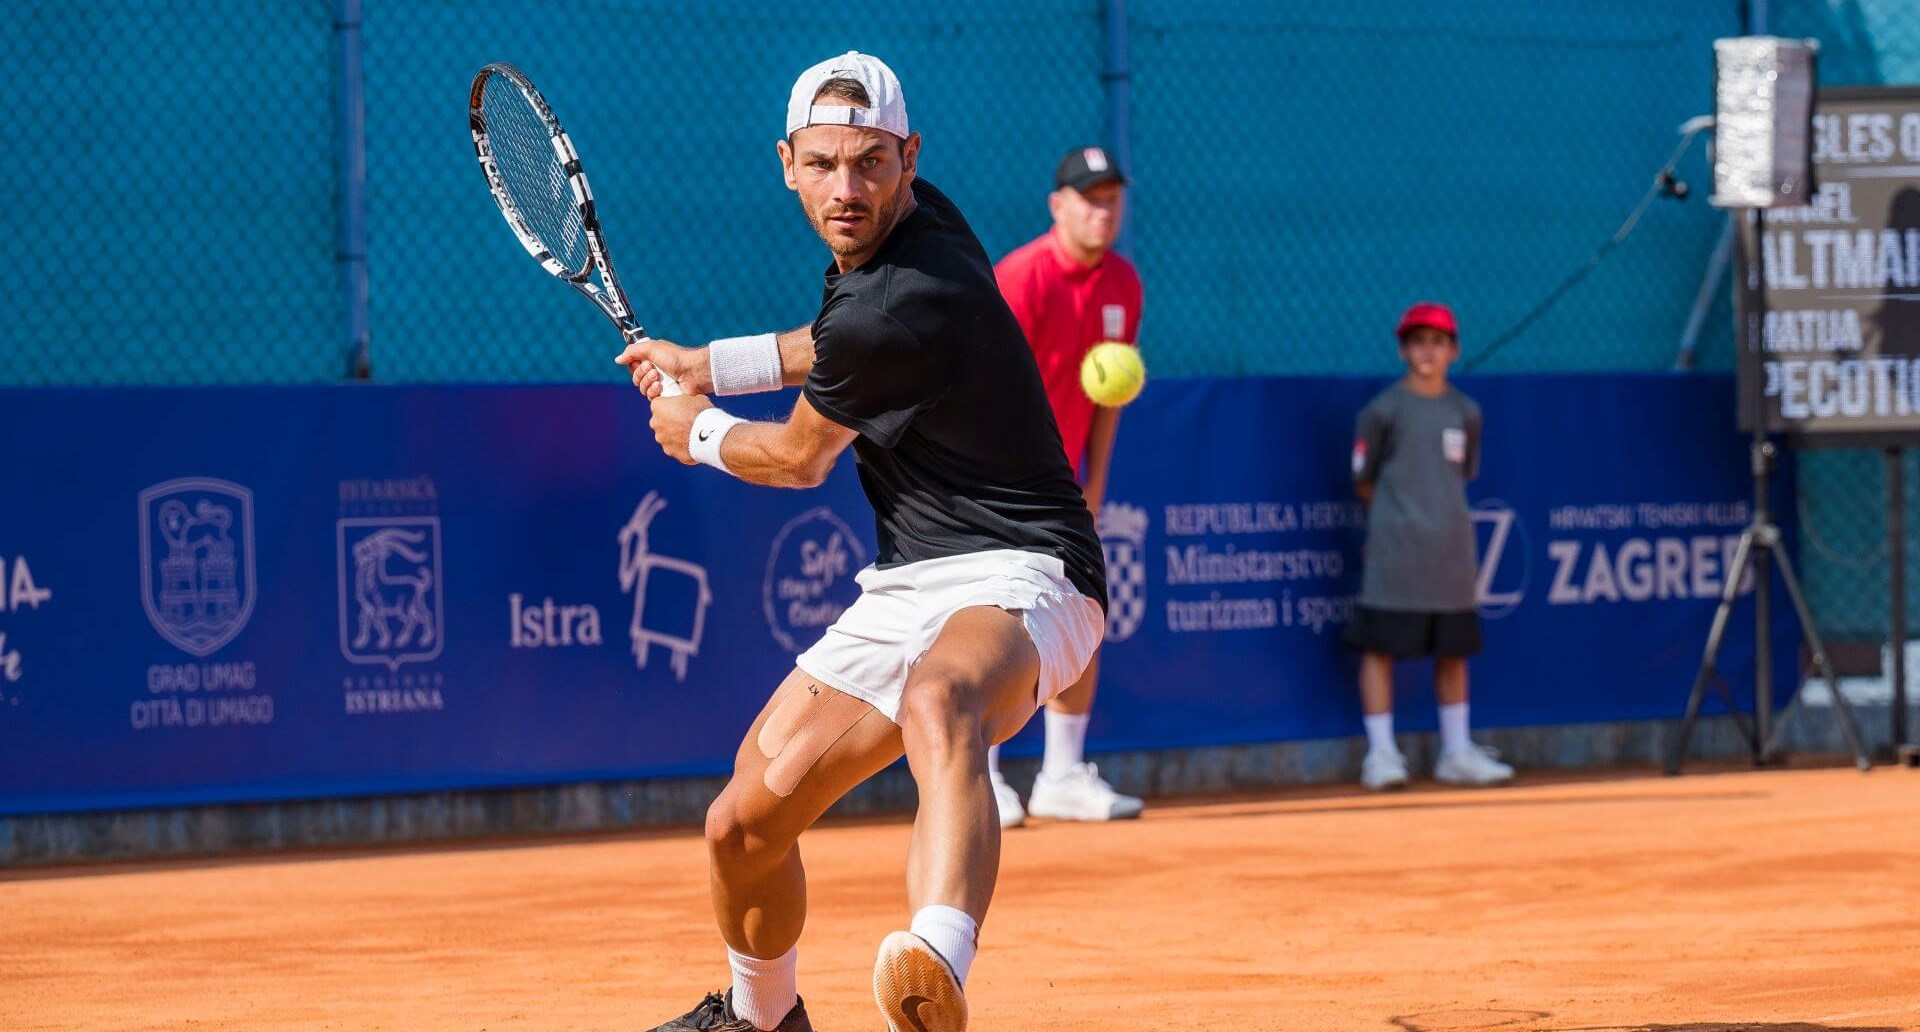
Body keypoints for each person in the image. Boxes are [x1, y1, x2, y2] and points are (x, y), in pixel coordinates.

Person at [615, 52, 1106, 1032]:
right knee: (743, 827)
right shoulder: (904, 251)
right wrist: (700, 362)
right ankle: (763, 1019)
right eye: (827, 163)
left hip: (1029, 570)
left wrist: (697, 430)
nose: (849, 188)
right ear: (788, 162)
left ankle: (936, 960)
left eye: (871, 164)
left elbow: (801, 457)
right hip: (908, 580)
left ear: (907, 158)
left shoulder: (896, 296)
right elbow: (830, 341)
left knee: (942, 695)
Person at [986, 147, 1145, 827]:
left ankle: (1062, 775)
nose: (1103, 211)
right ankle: (979, 778)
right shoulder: (1020, 279)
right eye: (1089, 198)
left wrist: (1095, 482)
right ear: (1058, 206)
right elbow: (981, 391)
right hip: (991, 475)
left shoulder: (1124, 285)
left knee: (1082, 610)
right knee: (988, 624)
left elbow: (1110, 400)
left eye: (1112, 198)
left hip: (1063, 483)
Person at [1343, 302, 1514, 791]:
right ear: (1403, 349)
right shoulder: (1381, 412)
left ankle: (1456, 752)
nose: (1428, 351)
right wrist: (1402, 520)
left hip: (1452, 555)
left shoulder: (1467, 412)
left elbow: (1460, 477)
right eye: (1418, 341)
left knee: (1453, 651)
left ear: (1454, 351)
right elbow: (1364, 482)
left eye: (1438, 342)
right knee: (1378, 649)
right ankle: (1380, 755)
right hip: (1396, 553)